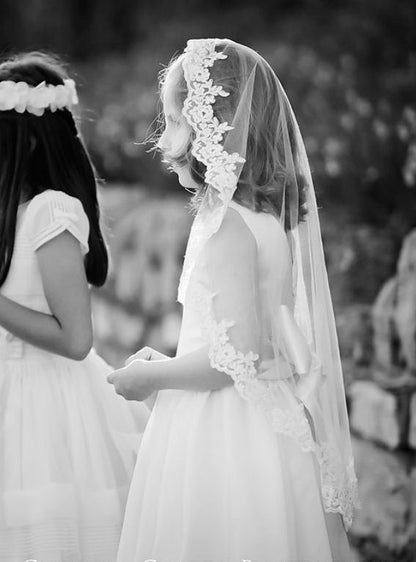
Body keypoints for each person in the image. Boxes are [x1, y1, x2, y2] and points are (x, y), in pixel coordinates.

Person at [108, 38, 360, 562]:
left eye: (176, 119)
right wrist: (172, 362)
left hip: (224, 436)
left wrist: (150, 377)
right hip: (268, 422)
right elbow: (254, 342)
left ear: (210, 130)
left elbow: (235, 359)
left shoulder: (228, 230)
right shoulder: (266, 222)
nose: (165, 135)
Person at [0, 52, 150, 562]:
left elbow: (75, 338)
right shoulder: (9, 213)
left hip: (42, 406)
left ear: (28, 140)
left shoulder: (51, 212)